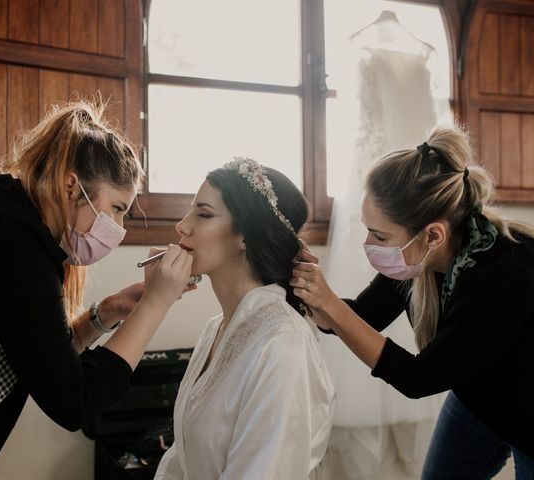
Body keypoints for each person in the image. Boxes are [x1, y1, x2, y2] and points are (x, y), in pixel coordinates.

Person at [0, 100, 193, 479]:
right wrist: (155, 304)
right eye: (118, 208)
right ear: (72, 186)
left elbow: (42, 356)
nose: (119, 227)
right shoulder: (13, 237)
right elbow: (73, 401)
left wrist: (107, 312)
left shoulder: (8, 215)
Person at [291, 124, 534, 479]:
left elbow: (419, 377)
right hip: (476, 398)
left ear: (432, 234)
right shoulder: (416, 258)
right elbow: (361, 317)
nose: (367, 243)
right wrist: (304, 290)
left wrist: (330, 304)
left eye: (379, 234)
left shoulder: (509, 271)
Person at [154, 158, 335, 480]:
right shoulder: (215, 329)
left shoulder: (282, 344)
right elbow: (182, 457)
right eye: (190, 210)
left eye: (204, 214)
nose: (182, 225)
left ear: (248, 236)